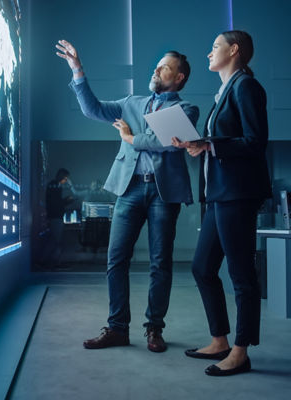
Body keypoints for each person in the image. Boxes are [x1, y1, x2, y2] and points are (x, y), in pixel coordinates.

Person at [56, 40, 199, 352]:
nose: (156, 69)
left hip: (164, 193)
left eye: (165, 67)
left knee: (160, 263)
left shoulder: (186, 109)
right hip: (129, 187)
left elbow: (161, 141)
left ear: (179, 78)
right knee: (115, 259)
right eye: (157, 64)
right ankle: (118, 328)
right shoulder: (131, 103)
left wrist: (129, 137)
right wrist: (77, 70)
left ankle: (154, 329)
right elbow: (92, 109)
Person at [172, 30, 271, 376]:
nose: (208, 53)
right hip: (218, 194)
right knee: (202, 268)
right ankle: (220, 340)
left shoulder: (246, 87)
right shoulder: (226, 91)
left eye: (214, 47)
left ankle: (241, 352)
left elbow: (256, 142)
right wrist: (201, 145)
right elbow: (225, 141)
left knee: (242, 275)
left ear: (234, 50)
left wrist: (212, 144)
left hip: (237, 195)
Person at [45, 168, 74, 268]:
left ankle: (52, 262)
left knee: (54, 240)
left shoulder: (54, 186)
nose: (66, 180)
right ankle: (53, 263)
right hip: (56, 217)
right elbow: (56, 203)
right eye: (65, 178)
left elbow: (56, 202)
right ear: (61, 176)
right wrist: (67, 201)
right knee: (56, 241)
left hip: (55, 217)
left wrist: (65, 201)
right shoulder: (54, 186)